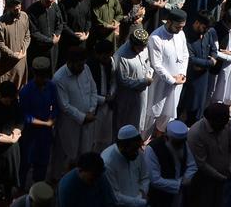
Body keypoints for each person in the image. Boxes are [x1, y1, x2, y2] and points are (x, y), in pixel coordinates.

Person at [51, 46, 102, 180]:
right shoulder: (59, 78)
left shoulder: (86, 69)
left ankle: (80, 178)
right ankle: (59, 180)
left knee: (84, 151)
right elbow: (65, 105)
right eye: (79, 65)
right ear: (70, 62)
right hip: (69, 124)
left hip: (87, 121)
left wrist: (91, 110)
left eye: (83, 64)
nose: (81, 68)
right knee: (66, 153)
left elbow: (93, 90)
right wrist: (83, 117)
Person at [147, 8, 189, 134]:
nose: (180, 30)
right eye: (178, 27)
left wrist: (182, 73)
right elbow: (157, 64)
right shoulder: (156, 38)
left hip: (177, 82)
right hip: (161, 84)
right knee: (154, 113)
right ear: (169, 22)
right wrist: (172, 80)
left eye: (182, 27)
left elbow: (185, 55)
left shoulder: (180, 34)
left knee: (169, 113)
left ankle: (160, 136)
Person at [17, 57, 57, 186]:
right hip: (30, 135)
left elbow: (56, 105)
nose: (43, 80)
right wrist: (45, 123)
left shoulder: (51, 86)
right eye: (41, 77)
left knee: (43, 162)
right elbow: (25, 116)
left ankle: (39, 186)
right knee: (26, 162)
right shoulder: (26, 91)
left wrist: (52, 117)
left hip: (45, 134)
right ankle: (21, 187)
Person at [185, 102, 231, 207]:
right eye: (221, 124)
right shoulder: (196, 133)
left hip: (225, 177)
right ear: (211, 121)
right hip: (204, 180)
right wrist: (221, 177)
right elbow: (201, 163)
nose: (224, 126)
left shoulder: (225, 125)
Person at [144, 119, 196, 206]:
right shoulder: (152, 149)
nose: (179, 146)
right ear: (166, 137)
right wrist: (179, 184)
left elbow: (192, 165)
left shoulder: (183, 144)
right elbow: (155, 179)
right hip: (160, 196)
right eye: (176, 143)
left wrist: (186, 178)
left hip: (180, 195)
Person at [113, 28, 152, 132]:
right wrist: (143, 82)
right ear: (132, 44)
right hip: (128, 97)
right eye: (140, 47)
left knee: (139, 120)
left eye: (144, 47)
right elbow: (123, 80)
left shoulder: (144, 49)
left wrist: (149, 74)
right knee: (126, 123)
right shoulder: (121, 56)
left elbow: (148, 64)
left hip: (143, 93)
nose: (143, 50)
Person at [99, 125, 148, 207]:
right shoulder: (108, 162)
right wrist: (139, 202)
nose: (136, 153)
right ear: (122, 147)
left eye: (137, 149)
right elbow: (114, 196)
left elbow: (145, 177)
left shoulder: (137, 152)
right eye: (133, 150)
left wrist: (143, 192)